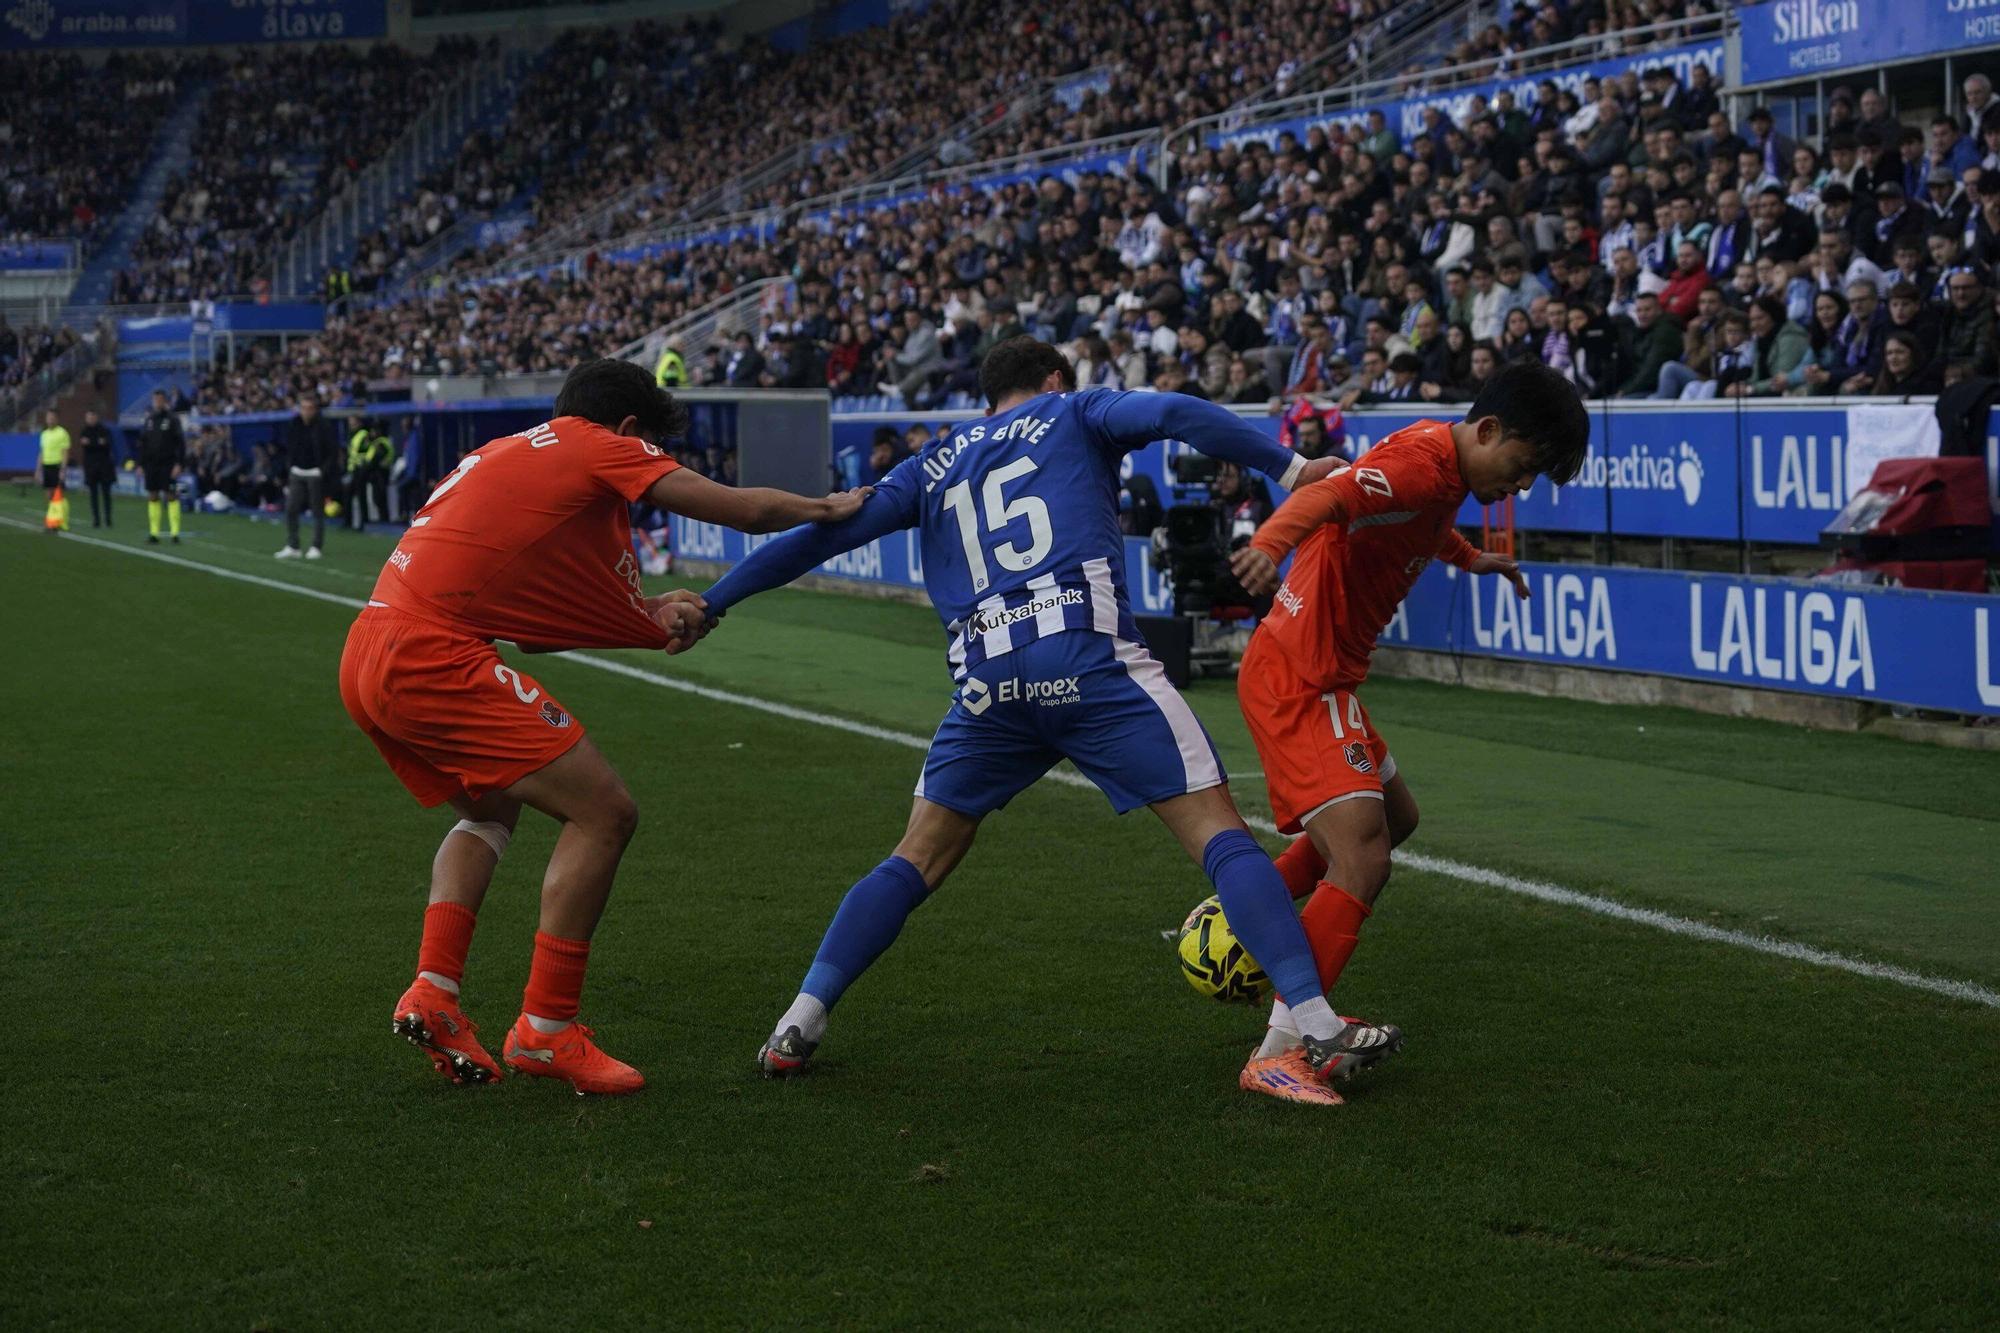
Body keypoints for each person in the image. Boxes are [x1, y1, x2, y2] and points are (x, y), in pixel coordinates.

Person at [697, 336, 1390, 1107]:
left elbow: (819, 537)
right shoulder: (1075, 409)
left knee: (915, 856)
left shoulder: (934, 460)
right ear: (1054, 378)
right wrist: (1290, 468)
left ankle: (799, 1019)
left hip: (986, 683)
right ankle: (1316, 1025)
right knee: (1218, 834)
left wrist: (715, 600)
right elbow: (1169, 410)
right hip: (1085, 657)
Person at [343, 358, 868, 1095]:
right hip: (432, 654)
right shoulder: (601, 445)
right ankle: (546, 1029)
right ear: (628, 431)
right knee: (604, 812)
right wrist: (825, 508)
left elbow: (538, 630)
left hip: (369, 646)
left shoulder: (501, 451)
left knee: (491, 809)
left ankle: (434, 988)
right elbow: (743, 510)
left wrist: (649, 614)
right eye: (651, 447)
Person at [1222, 363, 1588, 1087]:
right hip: (1303, 675)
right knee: (1363, 856)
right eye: (1521, 468)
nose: (1520, 487)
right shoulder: (1423, 466)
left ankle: (1243, 910)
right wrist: (1267, 545)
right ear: (1488, 431)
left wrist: (1469, 556)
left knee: (1397, 817)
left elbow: (1418, 517)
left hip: (1321, 672)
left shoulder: (1441, 459)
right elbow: (1330, 494)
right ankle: (1282, 1052)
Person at [276, 392, 340, 560]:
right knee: (291, 509)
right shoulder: (293, 424)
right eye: (304, 408)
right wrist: (290, 467)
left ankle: (316, 546)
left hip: (315, 473)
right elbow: (288, 448)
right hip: (297, 471)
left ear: (315, 409)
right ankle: (293, 545)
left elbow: (332, 452)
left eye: (310, 408)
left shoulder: (324, 426)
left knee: (317, 511)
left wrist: (322, 471)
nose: (306, 411)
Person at [135, 389, 186, 546]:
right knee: (153, 495)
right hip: (151, 464)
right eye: (155, 399)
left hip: (168, 463)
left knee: (170, 495)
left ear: (165, 401)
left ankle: (175, 533)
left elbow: (180, 444)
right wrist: (141, 464)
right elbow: (142, 444)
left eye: (160, 399)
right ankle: (154, 533)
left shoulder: (172, 419)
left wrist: (179, 464)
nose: (157, 402)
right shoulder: (149, 419)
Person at [345, 417, 393, 530]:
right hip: (374, 475)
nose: (372, 433)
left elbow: (375, 460)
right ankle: (377, 523)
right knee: (377, 499)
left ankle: (383, 524)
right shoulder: (377, 443)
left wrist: (364, 468)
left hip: (380, 475)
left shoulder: (381, 443)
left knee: (380, 500)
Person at [78, 409, 114, 528]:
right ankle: (96, 519)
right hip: (91, 467)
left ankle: (108, 519)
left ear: (96, 417)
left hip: (104, 467)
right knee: (93, 494)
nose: (90, 419)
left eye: (92, 417)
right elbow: (85, 444)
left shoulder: (104, 430)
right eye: (88, 417)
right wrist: (98, 443)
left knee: (106, 494)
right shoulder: (84, 431)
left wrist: (92, 443)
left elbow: (106, 444)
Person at [37, 408, 70, 522]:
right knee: (48, 495)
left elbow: (65, 453)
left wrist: (63, 470)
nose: (50, 420)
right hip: (47, 466)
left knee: (58, 495)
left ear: (57, 419)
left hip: (56, 466)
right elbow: (41, 452)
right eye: (48, 418)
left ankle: (57, 520)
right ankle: (52, 519)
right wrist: (38, 470)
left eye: (52, 418)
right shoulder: (44, 434)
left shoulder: (62, 433)